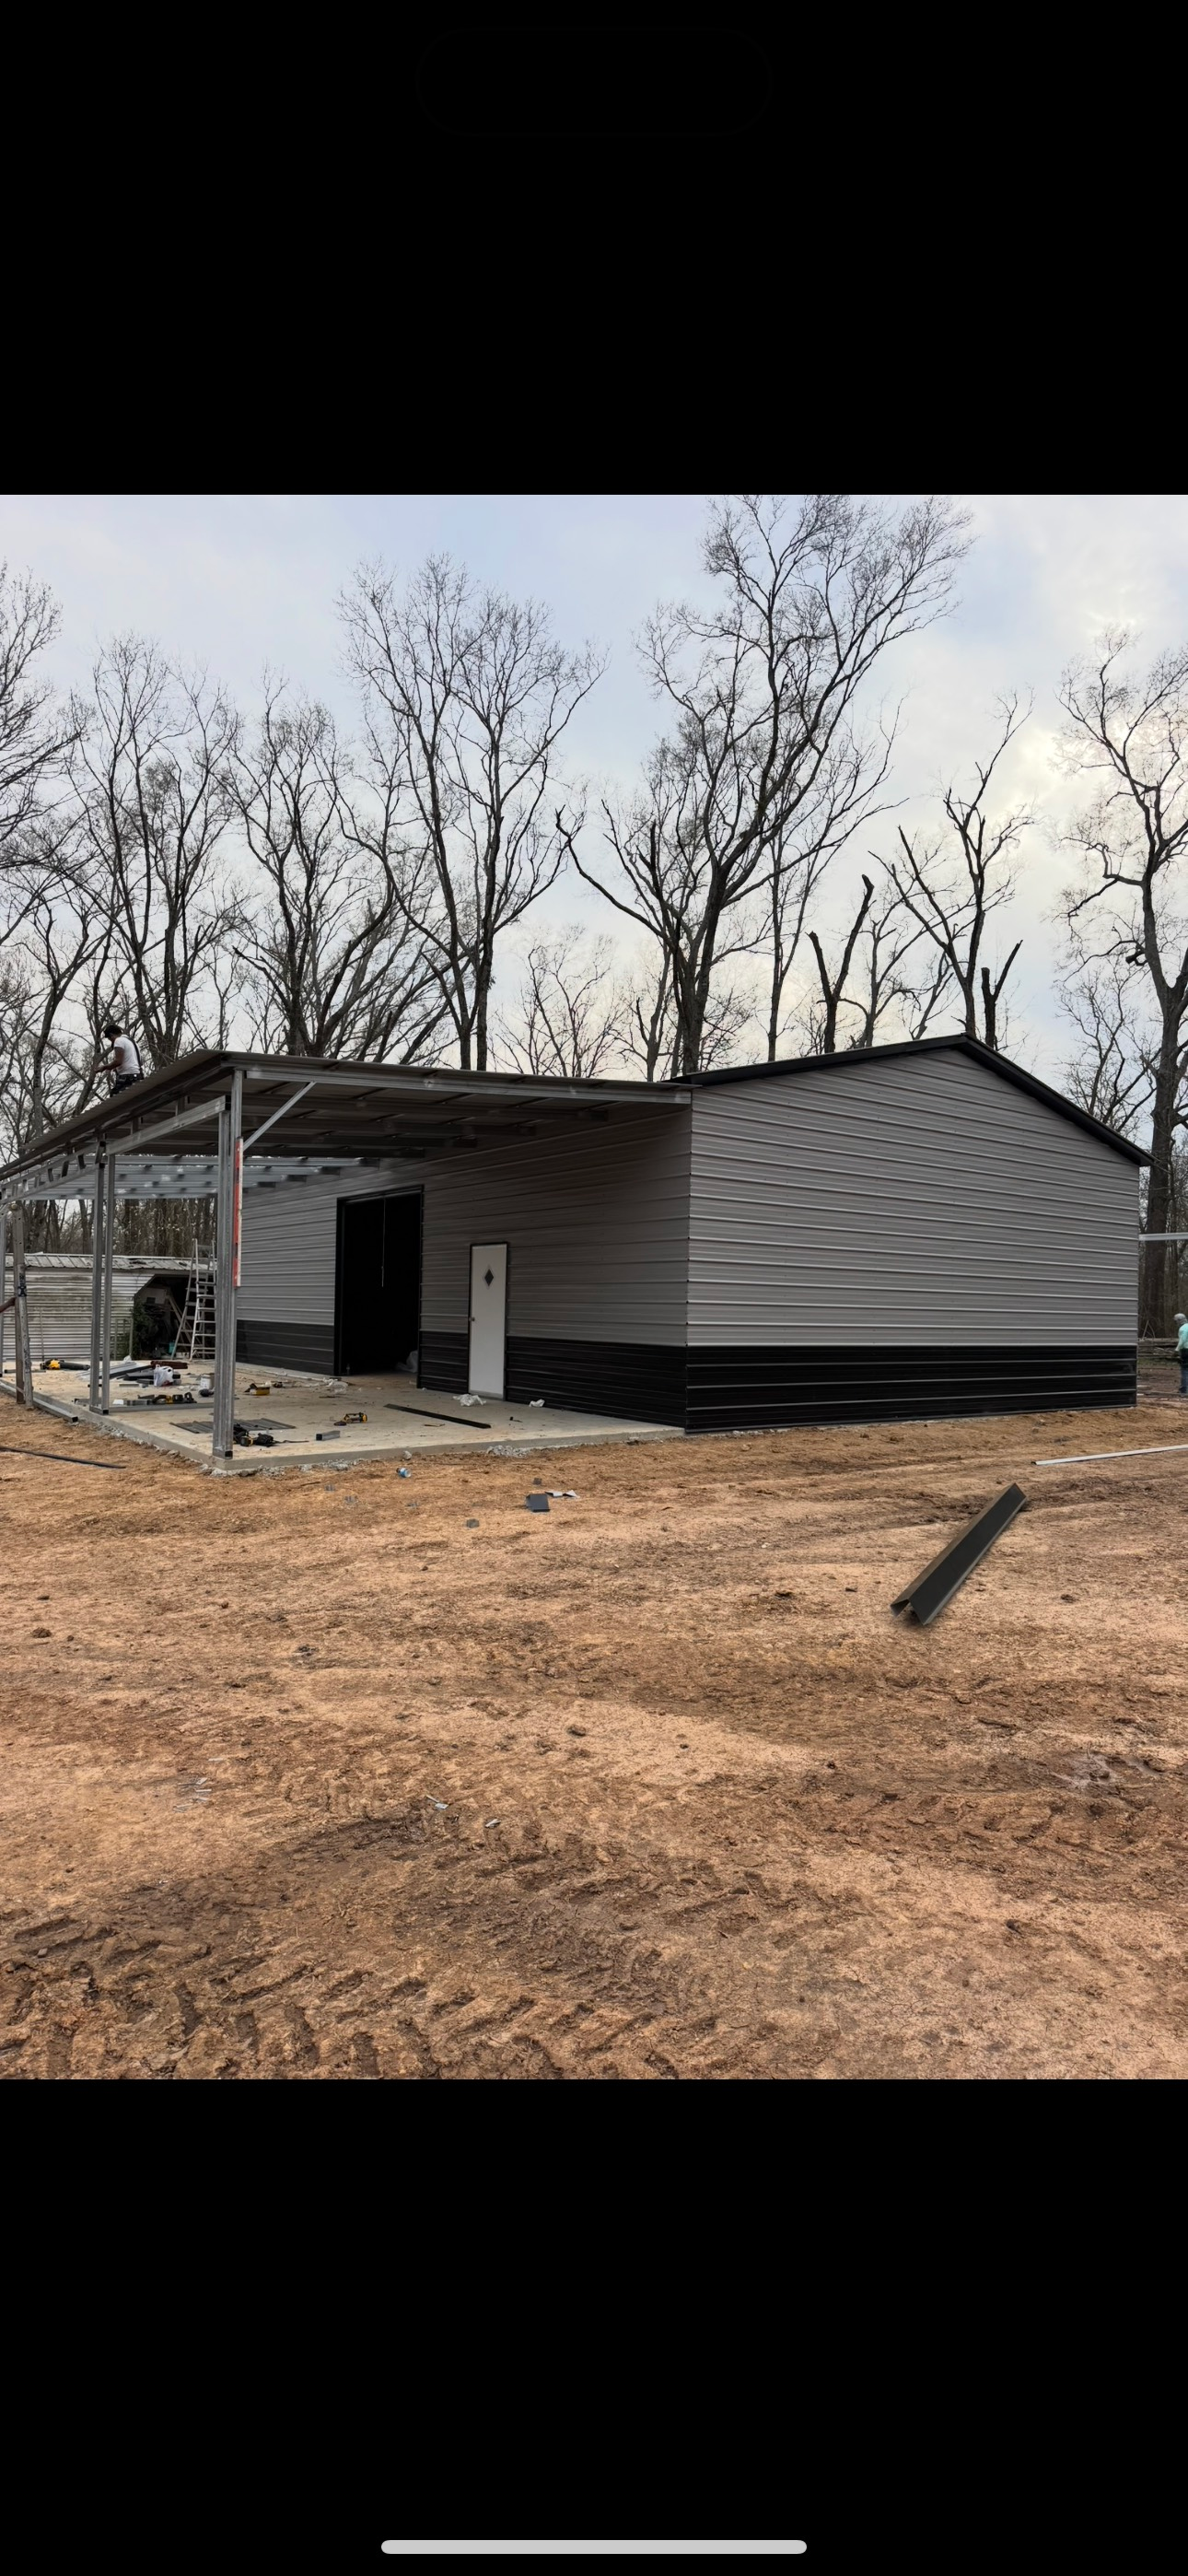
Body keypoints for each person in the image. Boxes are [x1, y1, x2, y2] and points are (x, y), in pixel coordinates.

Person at [102, 1021, 142, 1093]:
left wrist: (105, 1067)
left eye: (110, 1039)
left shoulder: (118, 1040)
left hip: (127, 1077)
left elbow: (118, 1061)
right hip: (138, 1076)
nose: (111, 1042)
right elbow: (138, 1061)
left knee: (117, 1099)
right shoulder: (132, 1041)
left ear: (111, 1035)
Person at [1175, 1312, 1188, 1396]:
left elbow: (1182, 1341)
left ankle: (1184, 1389)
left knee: (1185, 1370)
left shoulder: (1183, 1328)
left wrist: (1176, 1350)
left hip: (1186, 1350)